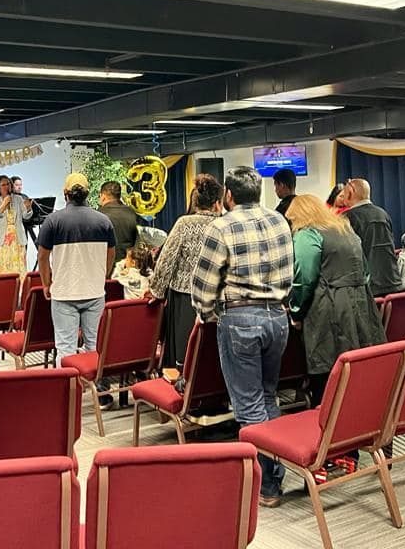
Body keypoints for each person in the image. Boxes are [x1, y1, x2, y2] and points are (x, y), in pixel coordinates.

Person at [191, 166, 293, 507]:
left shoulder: (221, 226)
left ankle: (266, 484)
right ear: (261, 192)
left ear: (228, 196)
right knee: (268, 397)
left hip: (240, 319)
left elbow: (204, 284)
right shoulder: (280, 221)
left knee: (248, 405)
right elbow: (289, 270)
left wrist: (207, 314)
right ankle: (275, 471)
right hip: (278, 318)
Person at [284, 195, 386, 406]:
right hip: (361, 305)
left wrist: (295, 311)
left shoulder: (308, 234)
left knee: (328, 377)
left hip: (328, 309)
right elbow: (365, 271)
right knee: (357, 370)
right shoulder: (345, 230)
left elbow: (305, 278)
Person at [38, 173, 116, 361]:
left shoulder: (53, 221)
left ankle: (69, 389)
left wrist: (46, 283)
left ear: (65, 193)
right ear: (88, 193)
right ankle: (94, 388)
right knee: (94, 346)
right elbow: (111, 253)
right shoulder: (103, 221)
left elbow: (42, 256)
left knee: (65, 349)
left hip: (64, 292)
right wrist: (103, 276)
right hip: (95, 291)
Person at [150, 174, 224, 370]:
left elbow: (166, 261)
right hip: (219, 298)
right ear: (218, 203)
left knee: (185, 357)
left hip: (185, 300)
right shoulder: (226, 224)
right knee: (212, 355)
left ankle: (183, 394)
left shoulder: (185, 223)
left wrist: (156, 291)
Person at [341, 178, 402, 296]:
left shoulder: (347, 218)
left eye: (344, 193)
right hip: (392, 282)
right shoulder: (383, 214)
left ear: (350, 192)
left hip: (367, 288)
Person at [0, 174, 32, 274]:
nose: (7, 186)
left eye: (8, 184)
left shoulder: (18, 199)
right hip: (0, 239)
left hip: (16, 238)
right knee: (2, 267)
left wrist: (28, 209)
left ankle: (19, 287)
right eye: (3, 185)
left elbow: (26, 216)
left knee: (16, 267)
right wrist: (3, 205)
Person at [98, 181, 139, 274]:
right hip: (127, 269)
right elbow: (136, 242)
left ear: (103, 196)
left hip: (106, 270)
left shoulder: (99, 215)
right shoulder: (131, 213)